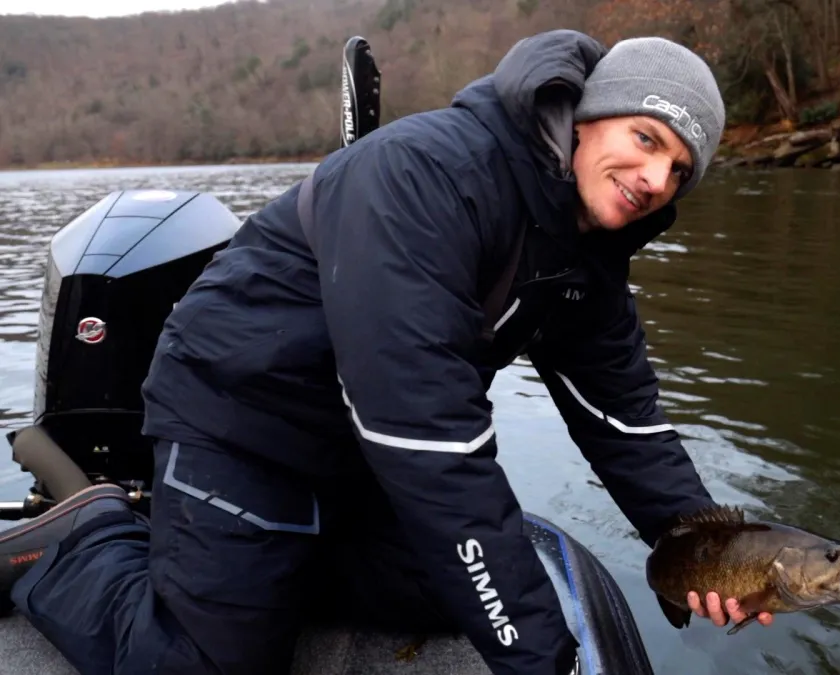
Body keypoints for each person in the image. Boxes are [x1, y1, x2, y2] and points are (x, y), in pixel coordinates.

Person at [0, 29, 773, 675]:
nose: (653, 178)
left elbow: (626, 422)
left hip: (353, 443)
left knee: (443, 593)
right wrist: (542, 656)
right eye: (646, 139)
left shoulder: (586, 252)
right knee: (201, 664)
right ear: (588, 116)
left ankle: (258, 569)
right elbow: (427, 433)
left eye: (678, 169)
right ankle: (81, 538)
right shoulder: (428, 174)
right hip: (239, 419)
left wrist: (710, 548)